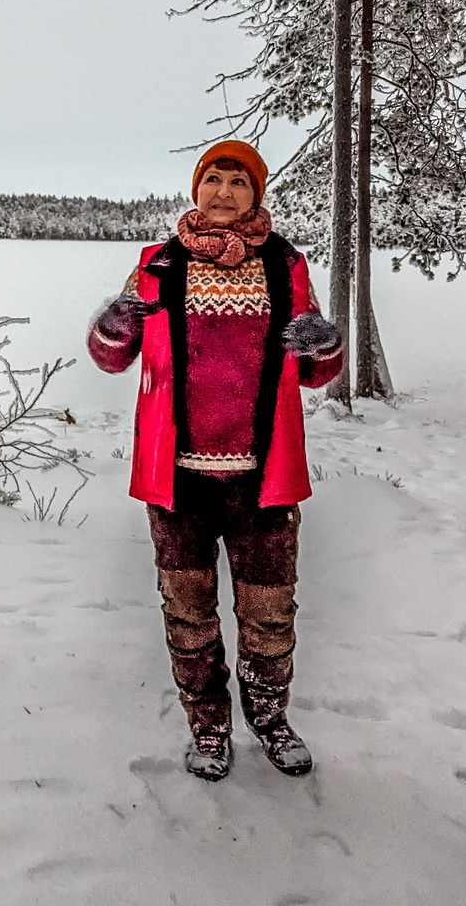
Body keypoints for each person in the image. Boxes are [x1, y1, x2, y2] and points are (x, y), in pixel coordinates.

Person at [86, 139, 343, 781]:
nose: (224, 192)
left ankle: (270, 719)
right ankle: (208, 726)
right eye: (214, 179)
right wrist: (112, 324)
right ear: (196, 188)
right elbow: (111, 358)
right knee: (189, 614)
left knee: (270, 614)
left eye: (239, 182)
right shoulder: (158, 265)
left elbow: (316, 372)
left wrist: (325, 343)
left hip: (263, 481)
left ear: (256, 195)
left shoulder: (285, 264)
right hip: (178, 482)